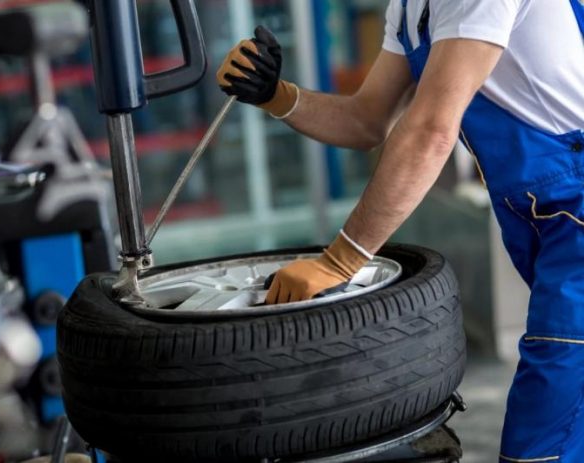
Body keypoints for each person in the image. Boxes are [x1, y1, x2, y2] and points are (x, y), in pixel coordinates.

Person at [216, 1, 584, 462]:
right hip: (545, 216)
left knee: (544, 429)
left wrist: (341, 260)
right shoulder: (409, 8)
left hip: (575, 209)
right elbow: (366, 120)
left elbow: (432, 128)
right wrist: (276, 94)